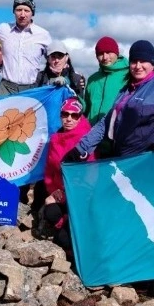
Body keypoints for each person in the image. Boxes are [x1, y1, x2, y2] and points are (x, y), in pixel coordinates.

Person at [64, 40, 154, 161]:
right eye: (134, 61)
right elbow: (106, 123)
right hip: (122, 161)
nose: (138, 66)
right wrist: (80, 148)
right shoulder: (125, 90)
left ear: (153, 63)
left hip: (149, 162)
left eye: (143, 61)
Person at [36, 97, 95, 248]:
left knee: (68, 238)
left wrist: (66, 195)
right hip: (60, 194)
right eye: (65, 114)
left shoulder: (86, 140)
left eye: (74, 115)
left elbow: (90, 176)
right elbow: (49, 171)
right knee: (51, 212)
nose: (69, 119)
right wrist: (53, 192)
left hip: (79, 196)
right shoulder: (55, 139)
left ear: (80, 117)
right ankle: (64, 228)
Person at [0, 0, 52, 95]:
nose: (22, 14)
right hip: (6, 88)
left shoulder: (43, 34)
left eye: (26, 10)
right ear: (14, 12)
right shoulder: (3, 29)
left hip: (31, 89)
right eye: (19, 10)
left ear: (32, 13)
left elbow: (56, 59)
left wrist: (74, 76)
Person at [83, 36, 129, 125]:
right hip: (91, 134)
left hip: (115, 134)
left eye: (108, 52)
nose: (105, 57)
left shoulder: (128, 75)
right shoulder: (92, 80)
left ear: (117, 53)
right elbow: (87, 108)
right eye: (100, 53)